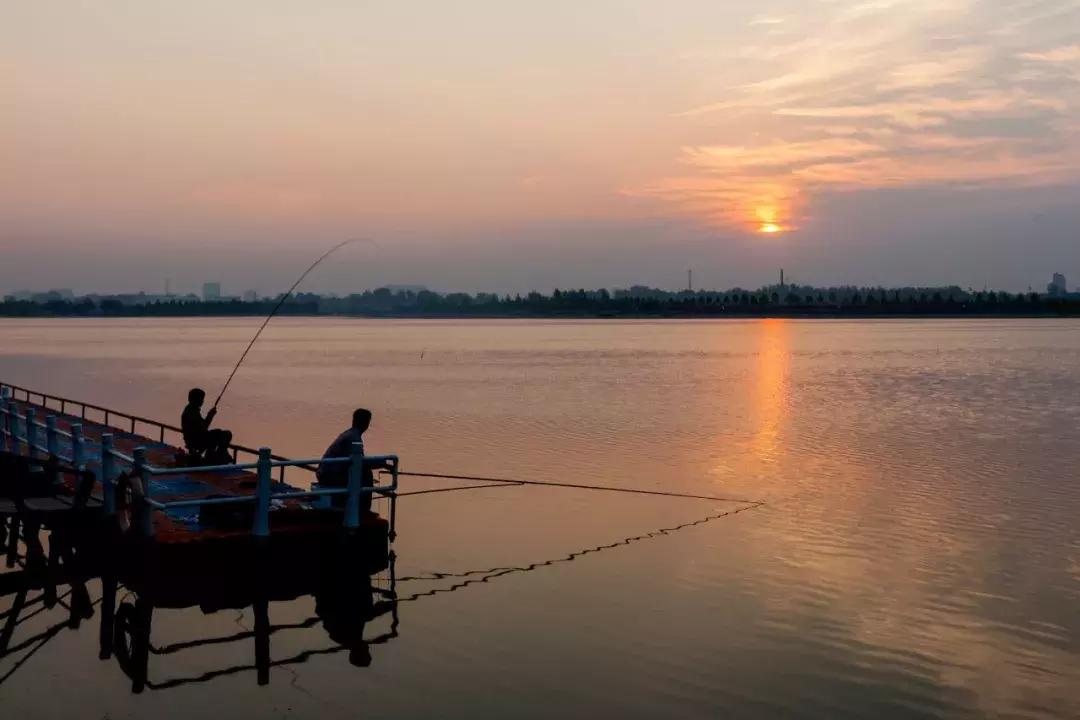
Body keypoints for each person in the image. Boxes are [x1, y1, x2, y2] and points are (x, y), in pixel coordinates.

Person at [318, 408, 385, 512]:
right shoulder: (354, 438)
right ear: (366, 423)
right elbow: (360, 462)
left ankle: (358, 505)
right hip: (328, 475)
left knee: (363, 473)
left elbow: (358, 460)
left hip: (326, 472)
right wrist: (381, 463)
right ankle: (362, 509)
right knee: (367, 474)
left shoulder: (350, 434)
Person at [181, 388, 233, 464]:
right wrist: (210, 415)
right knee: (226, 434)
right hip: (195, 441)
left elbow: (202, 427)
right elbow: (203, 427)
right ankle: (218, 457)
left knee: (217, 432)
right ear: (195, 400)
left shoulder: (191, 409)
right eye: (201, 399)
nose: (202, 401)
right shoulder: (191, 412)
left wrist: (210, 415)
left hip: (194, 438)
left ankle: (215, 456)